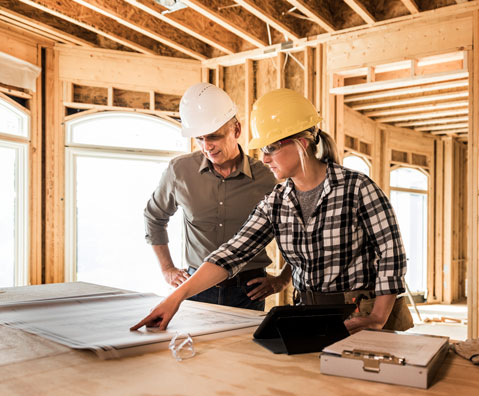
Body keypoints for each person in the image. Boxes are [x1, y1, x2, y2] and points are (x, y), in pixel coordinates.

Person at [133, 88, 412, 333]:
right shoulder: (277, 201)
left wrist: (378, 316)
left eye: (271, 148)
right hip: (306, 312)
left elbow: (391, 252)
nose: (264, 158)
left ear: (301, 143)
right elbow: (232, 254)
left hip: (358, 313)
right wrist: (176, 298)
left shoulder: (357, 188)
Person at [143, 82, 291, 311]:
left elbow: (299, 230)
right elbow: (154, 217)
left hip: (249, 289)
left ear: (237, 130)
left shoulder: (268, 176)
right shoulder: (179, 171)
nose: (206, 146)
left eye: (214, 137)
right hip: (196, 286)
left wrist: (283, 278)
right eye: (199, 139)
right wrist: (167, 269)